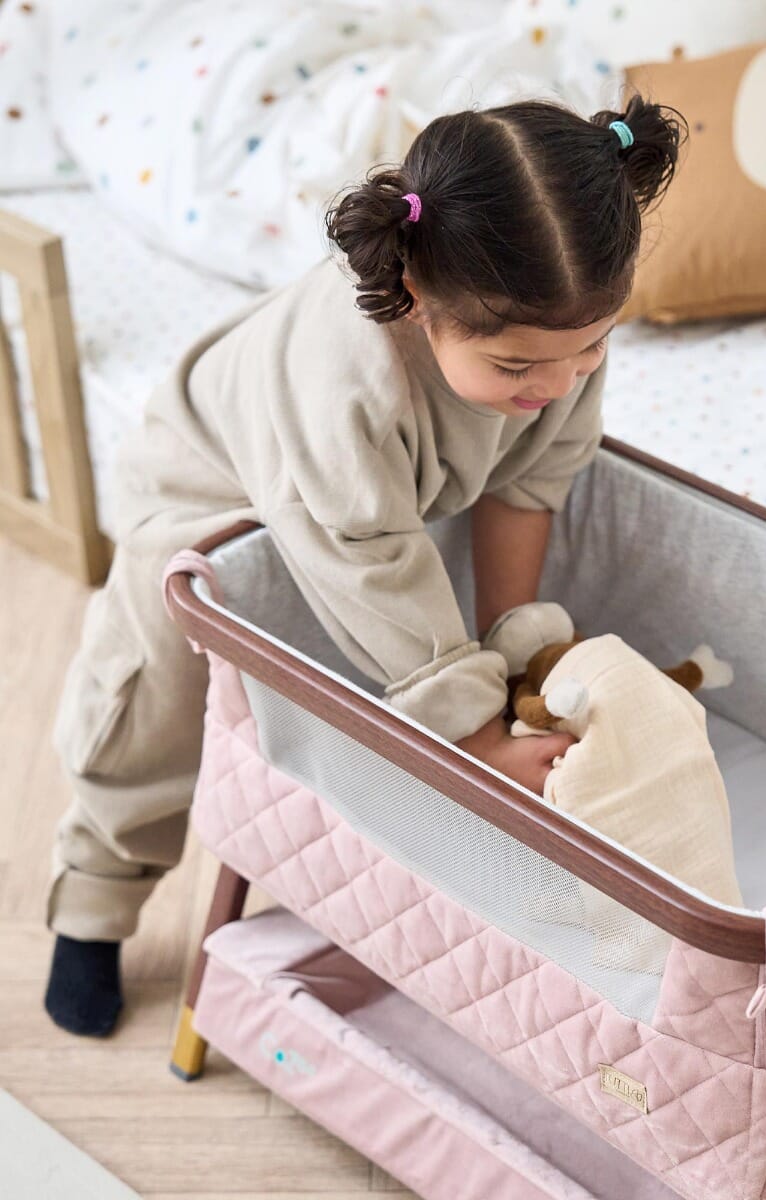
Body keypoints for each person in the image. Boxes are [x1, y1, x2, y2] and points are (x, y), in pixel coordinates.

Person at [43, 95, 684, 1037]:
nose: (555, 384)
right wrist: (471, 743)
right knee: (147, 709)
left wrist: (511, 664)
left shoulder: (556, 340)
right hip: (210, 511)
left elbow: (531, 484)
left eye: (592, 347)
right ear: (421, 302)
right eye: (517, 369)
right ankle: (93, 904)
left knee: (405, 639)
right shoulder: (341, 381)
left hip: (370, 504)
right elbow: (366, 553)